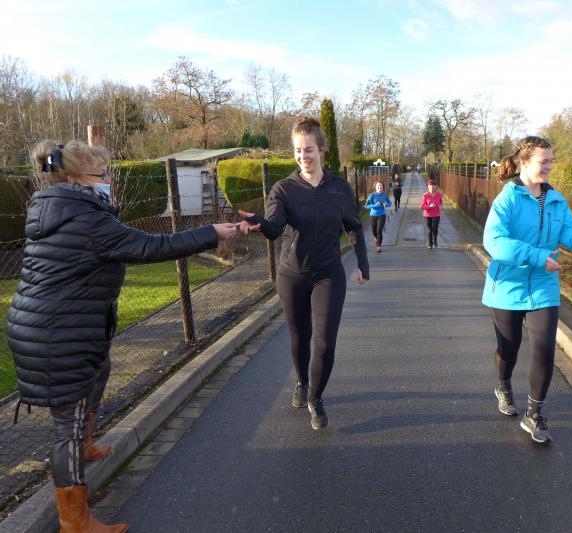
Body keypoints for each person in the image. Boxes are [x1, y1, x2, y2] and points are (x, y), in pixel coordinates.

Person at [4, 140, 238, 533]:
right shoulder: (86, 218)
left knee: (100, 368)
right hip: (57, 332)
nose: (109, 181)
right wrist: (210, 232)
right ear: (75, 179)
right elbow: (151, 246)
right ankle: (75, 522)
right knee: (67, 427)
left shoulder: (55, 208)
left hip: (56, 324)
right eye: (102, 175)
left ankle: (86, 444)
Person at [482, 136, 572, 444]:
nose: (549, 166)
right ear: (524, 162)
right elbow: (494, 241)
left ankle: (534, 415)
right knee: (509, 349)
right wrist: (535, 256)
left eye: (551, 160)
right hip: (507, 287)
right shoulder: (508, 198)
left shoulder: (557, 201)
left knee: (544, 350)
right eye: (543, 161)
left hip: (544, 287)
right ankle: (503, 385)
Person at [237, 117, 369, 430]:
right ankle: (301, 382)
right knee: (300, 337)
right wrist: (259, 223)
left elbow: (353, 226)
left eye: (308, 149)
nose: (302, 156)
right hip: (292, 274)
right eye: (297, 150)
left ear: (321, 149)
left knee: (325, 342)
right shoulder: (283, 189)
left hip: (328, 274)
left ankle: (316, 397)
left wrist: (363, 263)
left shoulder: (339, 188)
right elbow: (274, 228)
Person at [365, 181, 392, 253]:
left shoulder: (385, 195)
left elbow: (390, 203)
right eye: (378, 186)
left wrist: (386, 205)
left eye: (381, 186)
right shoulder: (372, 195)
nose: (380, 187)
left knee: (379, 231)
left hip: (382, 215)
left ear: (383, 187)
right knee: (374, 231)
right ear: (375, 187)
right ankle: (376, 237)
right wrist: (375, 205)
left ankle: (378, 246)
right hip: (373, 215)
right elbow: (366, 206)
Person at [419, 179, 443, 248]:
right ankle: (430, 243)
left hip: (436, 214)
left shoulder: (439, 194)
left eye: (433, 185)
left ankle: (435, 240)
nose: (432, 187)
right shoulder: (425, 195)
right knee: (429, 230)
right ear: (428, 186)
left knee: (435, 228)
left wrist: (440, 205)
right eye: (430, 186)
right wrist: (429, 206)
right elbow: (422, 206)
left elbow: (441, 202)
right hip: (427, 215)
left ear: (435, 186)